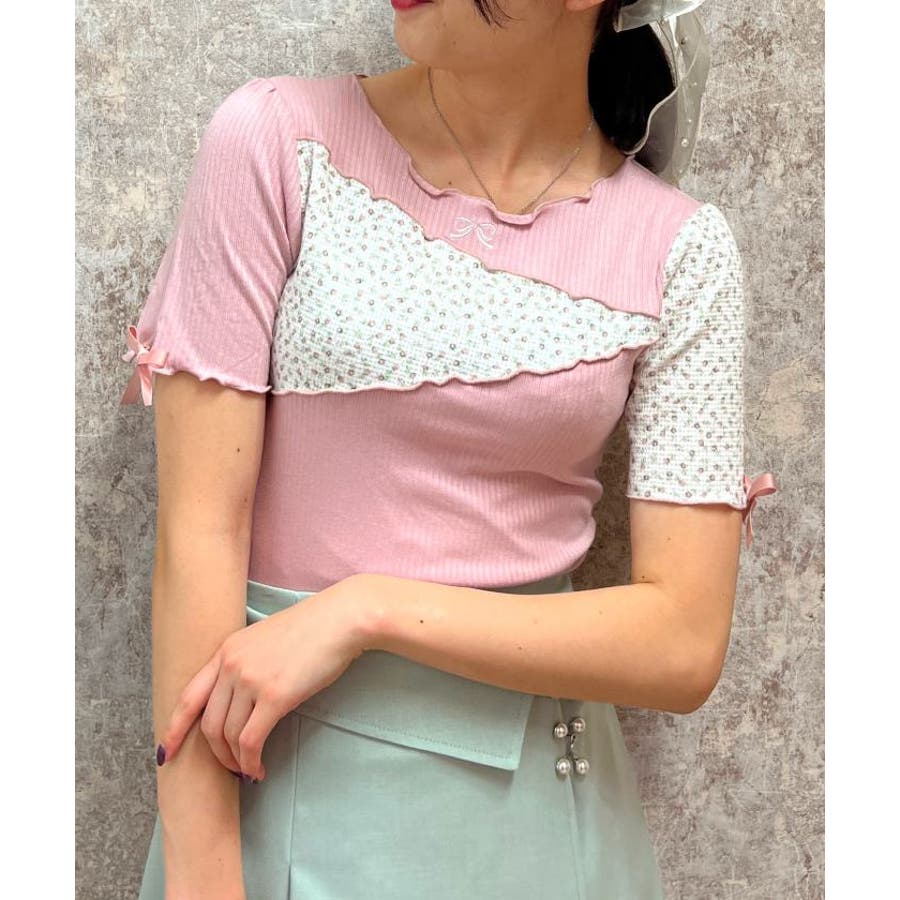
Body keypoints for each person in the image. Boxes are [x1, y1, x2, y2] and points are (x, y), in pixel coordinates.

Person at [119, 1, 778, 898]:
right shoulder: (276, 141)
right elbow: (197, 532)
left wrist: (368, 610)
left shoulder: (680, 250)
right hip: (279, 801)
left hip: (543, 830)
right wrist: (202, 880)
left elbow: (683, 642)